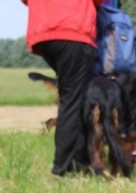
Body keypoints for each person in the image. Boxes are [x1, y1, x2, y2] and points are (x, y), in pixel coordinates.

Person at [22, 0, 105, 176]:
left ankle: (79, 163)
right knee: (73, 100)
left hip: (43, 31)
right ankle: (63, 168)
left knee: (74, 97)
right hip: (72, 29)